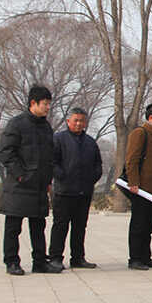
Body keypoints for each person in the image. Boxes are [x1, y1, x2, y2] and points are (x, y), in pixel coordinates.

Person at [0, 85, 62, 275]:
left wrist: (48, 179)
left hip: (39, 186)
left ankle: (40, 262)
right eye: (45, 104)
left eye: (49, 104)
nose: (48, 108)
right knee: (13, 227)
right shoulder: (16, 124)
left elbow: (49, 156)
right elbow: (5, 152)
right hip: (19, 186)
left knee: (38, 226)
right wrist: (20, 174)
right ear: (33, 103)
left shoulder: (46, 127)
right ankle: (12, 262)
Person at [49, 107, 103, 270]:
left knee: (80, 227)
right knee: (60, 226)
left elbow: (98, 164)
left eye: (82, 121)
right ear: (68, 121)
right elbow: (52, 162)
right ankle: (55, 258)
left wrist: (91, 179)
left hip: (84, 191)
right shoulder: (58, 139)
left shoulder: (90, 142)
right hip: (64, 191)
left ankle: (78, 258)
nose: (79, 124)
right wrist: (62, 176)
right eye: (76, 120)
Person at [124, 103, 152, 270]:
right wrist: (133, 182)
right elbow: (132, 159)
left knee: (149, 224)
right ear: (151, 117)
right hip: (141, 188)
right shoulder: (140, 133)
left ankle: (145, 256)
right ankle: (135, 258)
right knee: (138, 224)